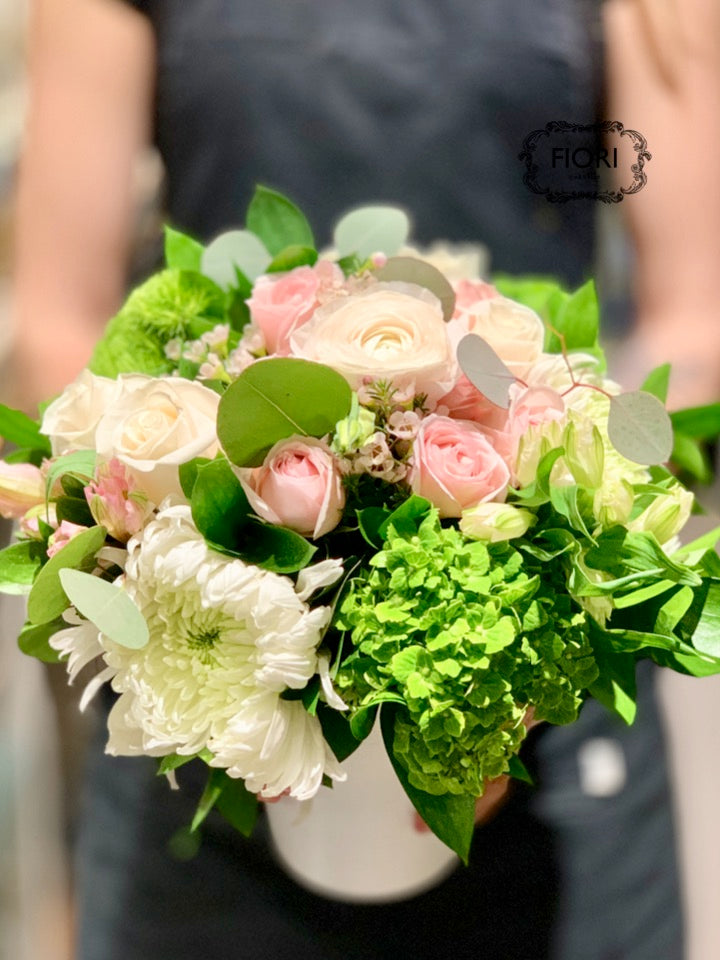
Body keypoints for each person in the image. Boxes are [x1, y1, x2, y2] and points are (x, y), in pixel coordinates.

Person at [10, 0, 720, 957]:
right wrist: (191, 581)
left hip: (545, 733)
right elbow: (61, 317)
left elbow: (695, 322)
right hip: (212, 711)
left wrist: (523, 630)